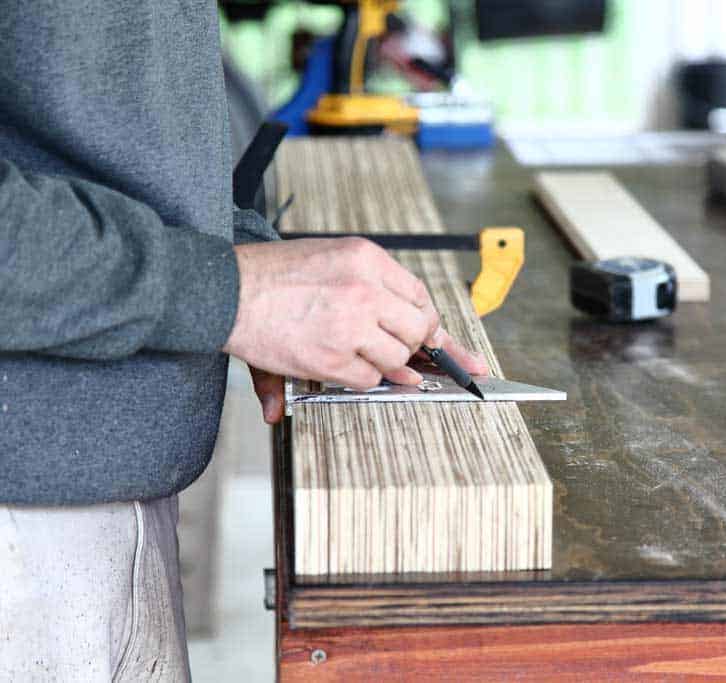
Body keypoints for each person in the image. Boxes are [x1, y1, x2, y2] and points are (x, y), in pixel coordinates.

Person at [0, 2, 486, 679]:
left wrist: (252, 261)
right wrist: (234, 290)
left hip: (109, 502)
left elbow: (121, 130)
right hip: (25, 527)